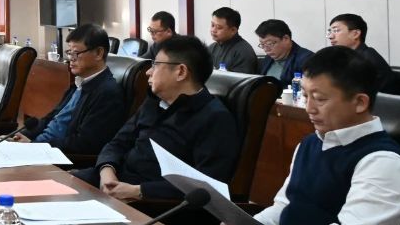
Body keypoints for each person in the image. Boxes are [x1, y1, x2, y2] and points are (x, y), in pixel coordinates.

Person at [198, 46, 400, 225]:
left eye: (320, 99)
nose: (309, 108)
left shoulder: (383, 163)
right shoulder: (311, 143)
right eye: (306, 96)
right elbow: (285, 206)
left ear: (360, 102)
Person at [74, 35, 240, 201]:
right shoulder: (153, 101)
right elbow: (118, 143)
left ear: (181, 72)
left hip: (151, 202)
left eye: (155, 64)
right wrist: (107, 171)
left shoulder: (215, 119)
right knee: (65, 185)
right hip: (114, 182)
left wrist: (138, 191)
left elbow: (206, 187)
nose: (148, 72)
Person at [17, 24, 127, 156]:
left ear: (98, 53)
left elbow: (83, 144)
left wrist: (36, 147)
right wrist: (22, 136)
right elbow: (50, 118)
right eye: (69, 53)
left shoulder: (107, 93)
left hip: (58, 157)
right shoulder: (79, 83)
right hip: (40, 148)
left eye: (76, 53)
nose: (70, 59)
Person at [327, 14, 394, 93]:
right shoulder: (348, 57)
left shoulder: (367, 60)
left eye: (336, 31)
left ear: (355, 34)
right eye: (330, 31)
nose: (330, 36)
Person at [254, 19, 314, 87]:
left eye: (269, 44)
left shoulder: (306, 60)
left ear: (286, 39)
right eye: (262, 44)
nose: (266, 49)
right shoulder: (268, 59)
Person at [208, 7, 257, 74]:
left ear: (233, 30)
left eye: (219, 27)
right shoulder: (211, 48)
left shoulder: (244, 51)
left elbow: (240, 79)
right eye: (212, 25)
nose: (213, 30)